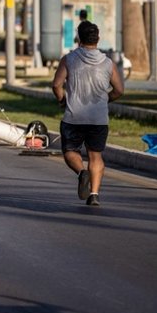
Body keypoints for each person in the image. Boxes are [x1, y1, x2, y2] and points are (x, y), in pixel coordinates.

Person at [51, 21, 124, 207]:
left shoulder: (69, 59)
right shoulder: (108, 63)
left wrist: (62, 100)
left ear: (79, 38)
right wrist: (105, 100)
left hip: (73, 117)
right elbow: (119, 90)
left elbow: (56, 85)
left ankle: (81, 172)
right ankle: (94, 194)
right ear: (98, 39)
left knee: (69, 151)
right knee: (96, 156)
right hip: (98, 119)